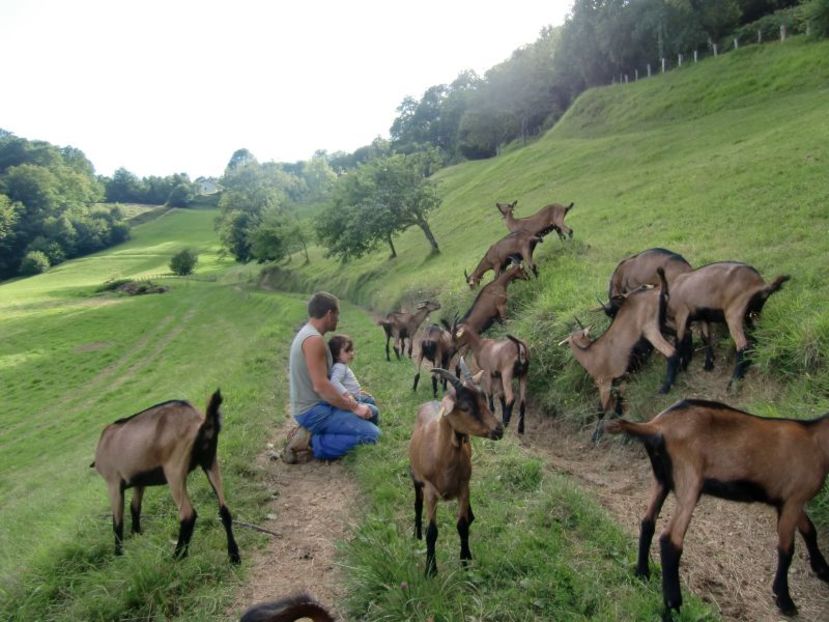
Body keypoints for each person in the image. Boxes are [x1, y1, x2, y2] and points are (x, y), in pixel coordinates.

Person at [283, 292, 381, 463]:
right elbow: (321, 386)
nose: (338, 319)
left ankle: (319, 432)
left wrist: (353, 398)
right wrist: (354, 407)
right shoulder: (314, 341)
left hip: (320, 404)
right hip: (313, 411)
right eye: (337, 314)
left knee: (372, 410)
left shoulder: (310, 334)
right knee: (373, 435)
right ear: (329, 314)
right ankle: (313, 442)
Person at [328, 334, 379, 425]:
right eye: (347, 351)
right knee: (374, 411)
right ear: (336, 355)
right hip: (352, 399)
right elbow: (334, 382)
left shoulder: (341, 366)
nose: (351, 353)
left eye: (351, 350)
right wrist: (347, 394)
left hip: (356, 396)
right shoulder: (339, 367)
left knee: (370, 400)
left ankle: (368, 420)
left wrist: (360, 391)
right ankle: (370, 425)